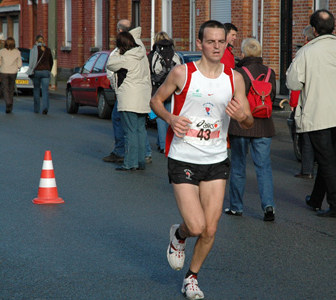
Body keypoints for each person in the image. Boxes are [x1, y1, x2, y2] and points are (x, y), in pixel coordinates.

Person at [150, 20, 253, 299]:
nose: (217, 46)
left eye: (222, 41)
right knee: (195, 226)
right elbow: (156, 101)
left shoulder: (235, 78)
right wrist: (171, 118)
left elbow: (248, 121)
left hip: (217, 159)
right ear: (200, 44)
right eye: (211, 41)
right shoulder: (183, 73)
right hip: (183, 156)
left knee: (210, 228)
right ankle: (180, 235)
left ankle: (191, 277)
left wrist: (241, 116)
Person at [286, 9, 336, 218]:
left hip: (318, 113)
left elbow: (292, 82)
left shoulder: (307, 52)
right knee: (329, 157)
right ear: (333, 27)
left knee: (326, 160)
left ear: (314, 29)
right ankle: (316, 199)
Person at [224, 38, 277, 222]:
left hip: (241, 125)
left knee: (238, 166)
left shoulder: (238, 72)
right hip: (264, 125)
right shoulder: (270, 72)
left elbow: (231, 97)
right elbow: (273, 97)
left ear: (244, 53)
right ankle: (269, 206)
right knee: (264, 167)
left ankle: (236, 206)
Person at [103, 19, 152, 165]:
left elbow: (110, 64)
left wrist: (118, 51)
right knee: (140, 130)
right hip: (143, 95)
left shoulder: (127, 56)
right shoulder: (141, 50)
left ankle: (129, 162)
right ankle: (142, 160)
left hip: (129, 96)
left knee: (129, 130)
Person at [289, 25, 316, 179]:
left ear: (306, 38)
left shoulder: (303, 53)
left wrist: (293, 103)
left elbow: (296, 82)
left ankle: (307, 169)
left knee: (305, 136)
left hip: (305, 102)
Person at [147, 31, 181, 153]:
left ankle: (163, 145)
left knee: (160, 118)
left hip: (157, 89)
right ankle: (167, 142)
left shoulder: (152, 55)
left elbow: (149, 73)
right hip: (172, 89)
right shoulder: (174, 54)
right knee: (170, 116)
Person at [27, 35, 53, 114]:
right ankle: (45, 107)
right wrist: (48, 69)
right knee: (45, 91)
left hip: (37, 72)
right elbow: (51, 61)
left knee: (36, 90)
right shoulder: (48, 50)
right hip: (46, 72)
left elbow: (31, 63)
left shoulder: (34, 50)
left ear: (36, 41)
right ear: (43, 41)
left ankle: (36, 108)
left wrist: (30, 71)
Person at [0, 37, 22, 113]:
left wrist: (2, 65)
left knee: (5, 88)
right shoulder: (17, 52)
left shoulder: (1, 51)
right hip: (13, 72)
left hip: (4, 71)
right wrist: (16, 66)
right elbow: (20, 64)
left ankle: (8, 103)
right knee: (11, 89)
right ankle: (10, 104)